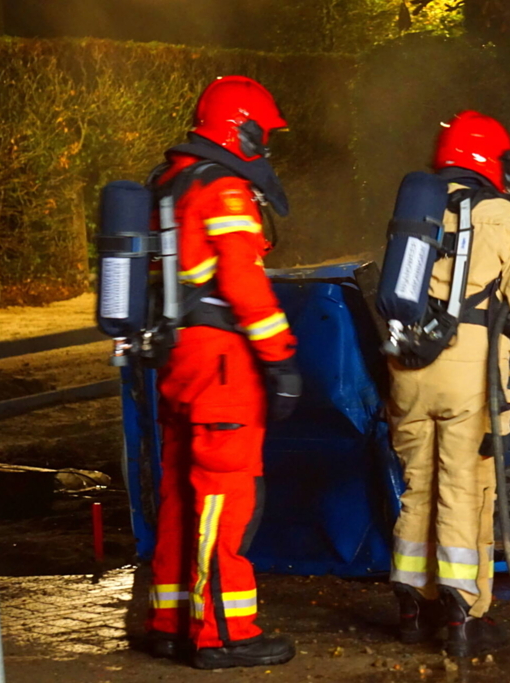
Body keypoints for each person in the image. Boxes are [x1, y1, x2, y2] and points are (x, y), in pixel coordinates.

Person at [387, 111, 510, 657]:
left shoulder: (420, 211)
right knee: (465, 489)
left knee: (419, 486)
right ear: (488, 161)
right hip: (466, 375)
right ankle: (460, 616)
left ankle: (411, 603)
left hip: (407, 371)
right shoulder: (501, 215)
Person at [144, 75, 302, 670]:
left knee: (181, 494)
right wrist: (282, 358)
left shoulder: (170, 182)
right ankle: (223, 634)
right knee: (225, 498)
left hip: (177, 356)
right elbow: (242, 282)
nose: (267, 145)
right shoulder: (224, 189)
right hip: (221, 366)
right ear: (241, 130)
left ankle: (169, 620)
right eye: (263, 133)